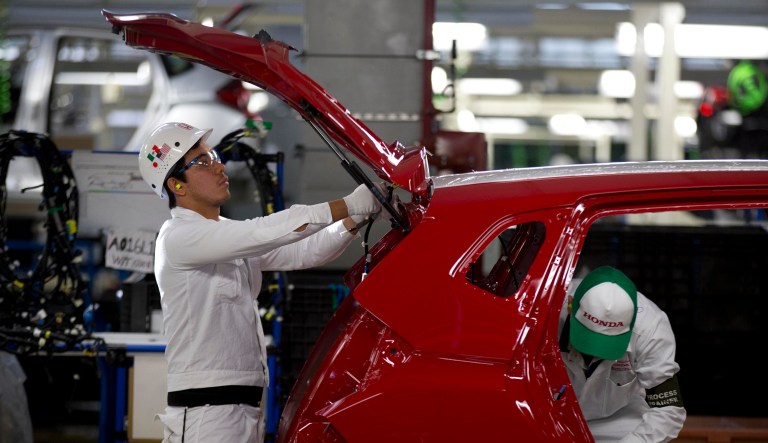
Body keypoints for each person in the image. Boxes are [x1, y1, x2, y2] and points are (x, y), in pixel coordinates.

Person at [138, 122, 384, 443]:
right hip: (207, 414)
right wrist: (346, 205)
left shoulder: (224, 234)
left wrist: (353, 220)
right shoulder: (180, 237)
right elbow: (264, 230)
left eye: (213, 155)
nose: (219, 166)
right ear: (176, 185)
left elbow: (303, 252)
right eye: (202, 162)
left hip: (244, 406)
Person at [558, 265, 686, 443]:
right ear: (571, 306)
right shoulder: (543, 309)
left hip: (616, 420)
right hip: (550, 413)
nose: (593, 353)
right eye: (588, 339)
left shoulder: (652, 330)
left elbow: (668, 409)